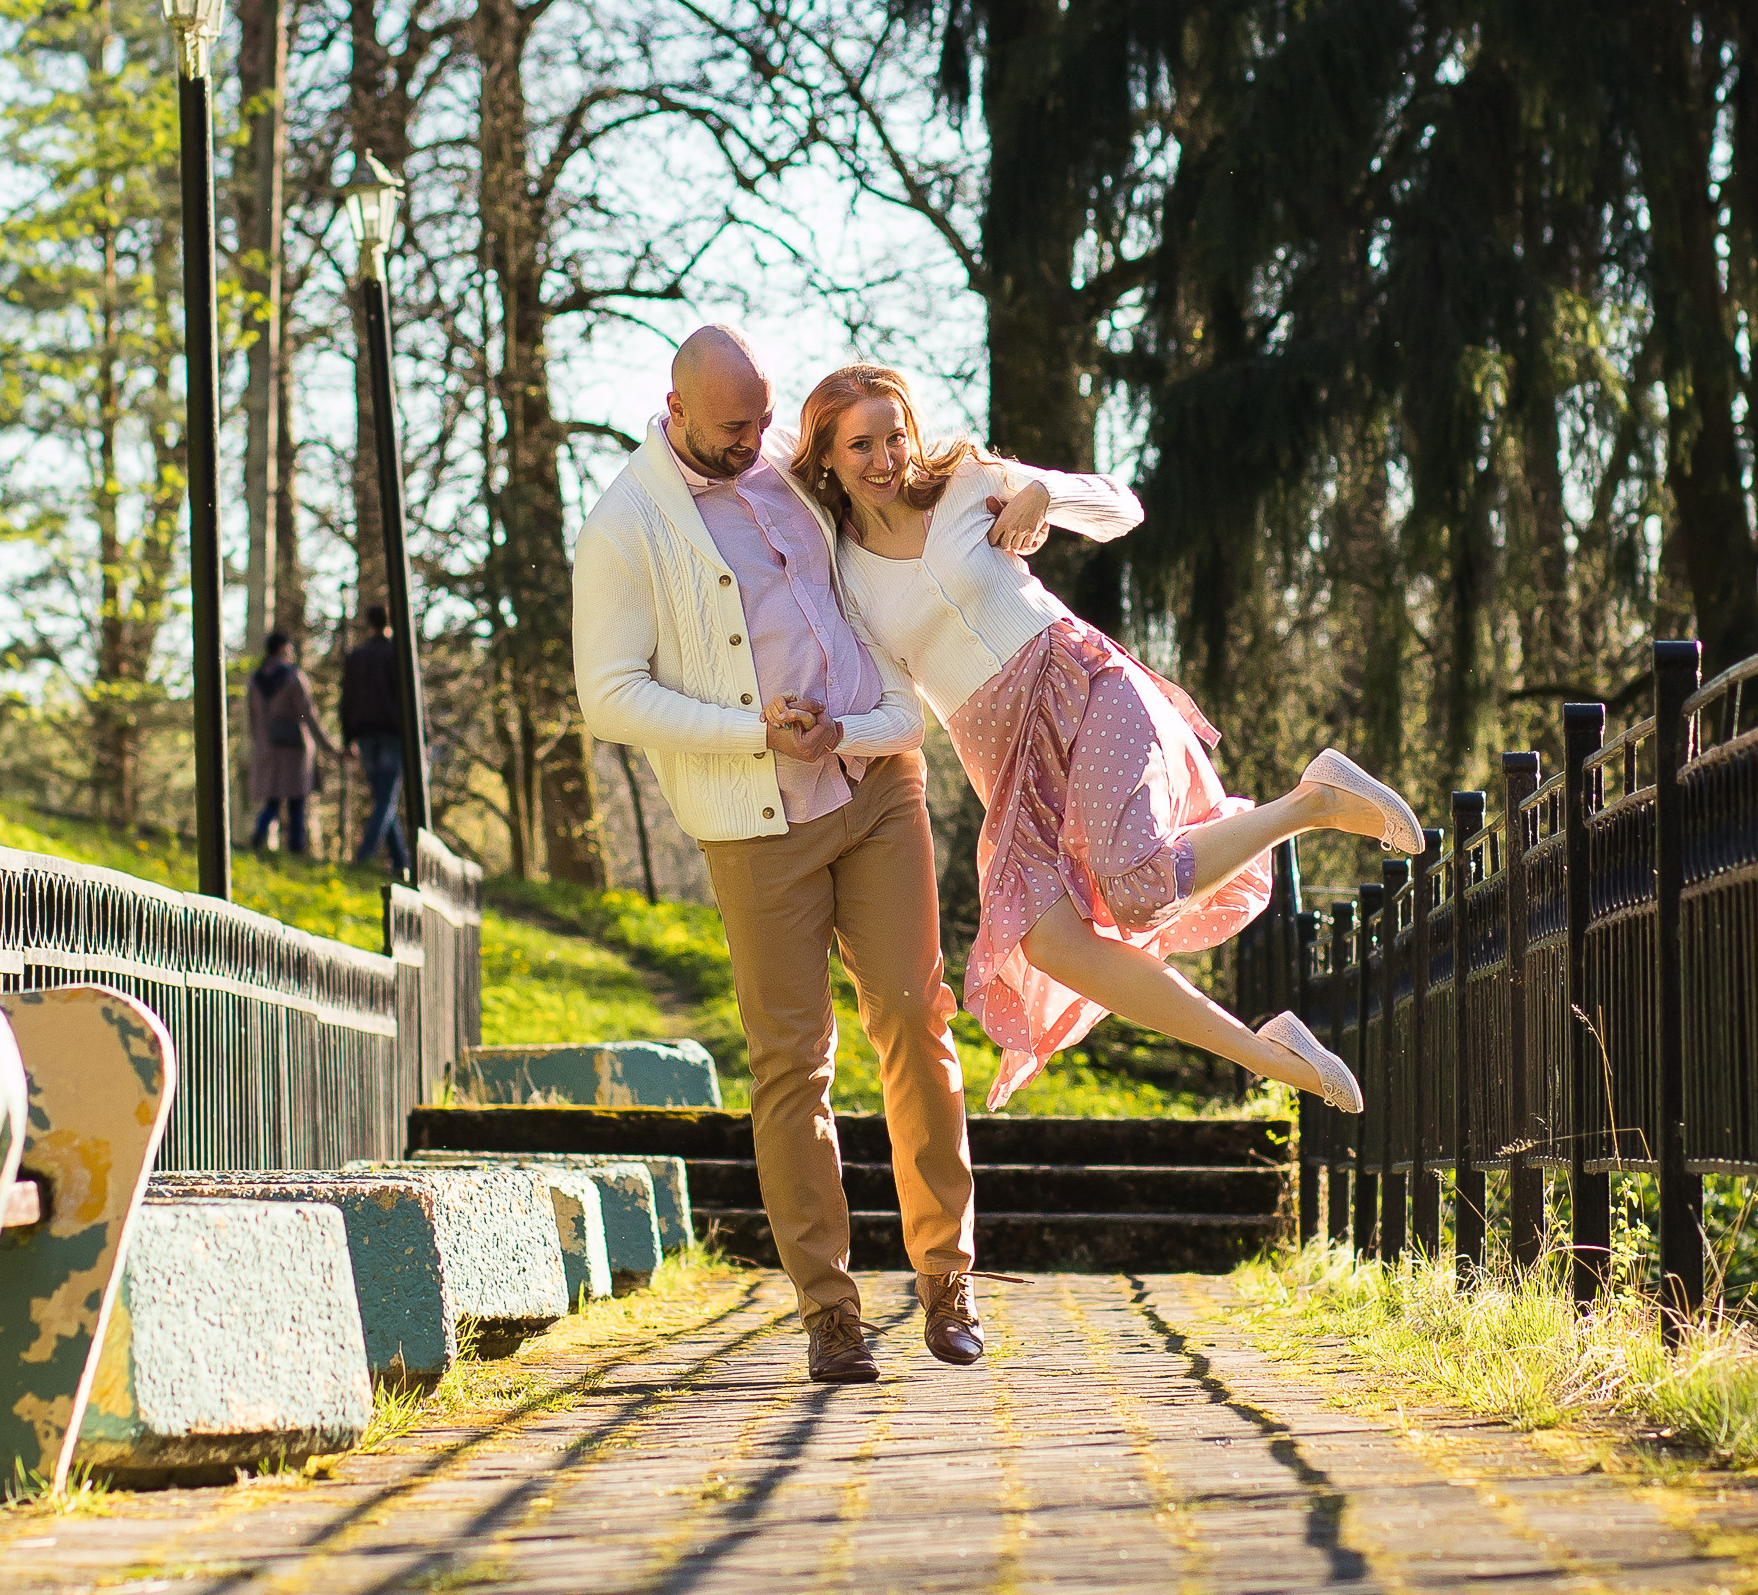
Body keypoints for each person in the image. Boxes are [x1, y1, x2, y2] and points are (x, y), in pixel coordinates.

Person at [796, 364, 1425, 1112]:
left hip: (1082, 685)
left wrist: (1043, 495)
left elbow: (1120, 507)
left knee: (1137, 889)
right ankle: (1271, 1053)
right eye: (860, 445)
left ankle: (1311, 802)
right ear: (827, 457)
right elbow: (903, 715)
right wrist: (837, 732)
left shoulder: (967, 481)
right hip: (1006, 767)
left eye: (894, 437)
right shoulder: (844, 576)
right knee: (1048, 941)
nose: (883, 460)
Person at [572, 323, 982, 1387]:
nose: (755, 442)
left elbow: (916, 514)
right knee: (791, 1063)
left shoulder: (790, 477)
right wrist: (752, 729)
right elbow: (608, 695)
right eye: (732, 429)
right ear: (675, 411)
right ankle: (830, 1311)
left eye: (763, 420)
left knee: (911, 1014)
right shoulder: (627, 526)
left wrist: (882, 716)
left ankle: (946, 1277)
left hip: (876, 781)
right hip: (759, 821)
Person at [246, 629, 337, 856]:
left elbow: (252, 718)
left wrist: (258, 744)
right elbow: (308, 714)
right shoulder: (293, 677)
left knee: (272, 801)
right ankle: (296, 849)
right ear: (281, 648)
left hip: (266, 747)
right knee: (297, 801)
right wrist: (329, 746)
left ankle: (258, 837)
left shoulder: (255, 680)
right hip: (295, 748)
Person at [341, 604, 411, 879]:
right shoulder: (396, 654)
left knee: (383, 797)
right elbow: (408, 697)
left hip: (365, 732)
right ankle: (366, 855)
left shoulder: (356, 657)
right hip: (392, 732)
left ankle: (400, 860)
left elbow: (346, 699)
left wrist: (348, 737)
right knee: (386, 797)